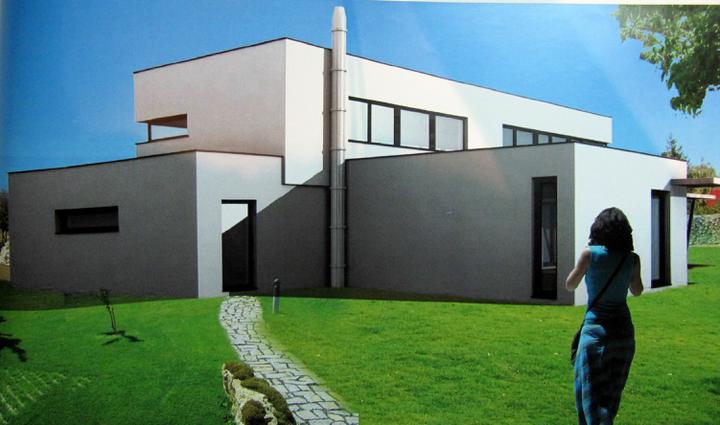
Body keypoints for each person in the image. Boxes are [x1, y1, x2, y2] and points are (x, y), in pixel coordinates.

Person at [565, 207, 644, 425]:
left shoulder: (589, 254)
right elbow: (637, 290)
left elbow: (570, 285)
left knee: (590, 397)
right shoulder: (632, 259)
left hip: (595, 333)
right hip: (623, 333)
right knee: (610, 398)